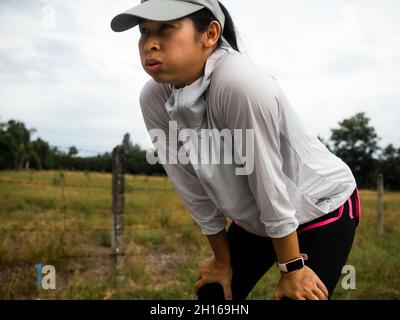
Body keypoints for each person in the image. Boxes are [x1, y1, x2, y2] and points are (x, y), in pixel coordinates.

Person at [111, 0, 361, 300]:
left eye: (166, 28)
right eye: (144, 31)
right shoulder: (154, 97)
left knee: (299, 297)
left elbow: (268, 181)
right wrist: (222, 260)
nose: (150, 43)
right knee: (215, 295)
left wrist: (292, 268)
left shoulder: (239, 83)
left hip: (320, 206)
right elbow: (190, 187)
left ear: (210, 34)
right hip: (257, 216)